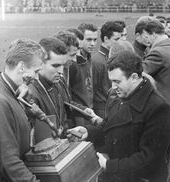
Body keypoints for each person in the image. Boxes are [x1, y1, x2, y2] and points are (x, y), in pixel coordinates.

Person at [67, 50, 170, 182]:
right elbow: (108, 127)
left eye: (117, 81)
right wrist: (88, 132)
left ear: (133, 77)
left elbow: (150, 159)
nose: (113, 87)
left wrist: (110, 166)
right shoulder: (120, 97)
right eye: (111, 81)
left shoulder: (158, 108)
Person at [0, 38, 44, 182]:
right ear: (21, 67)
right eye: (36, 71)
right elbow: (8, 162)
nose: (37, 78)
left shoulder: (12, 92)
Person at [29, 37, 87, 143]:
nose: (61, 71)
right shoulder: (31, 93)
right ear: (40, 64)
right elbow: (38, 142)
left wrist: (70, 132)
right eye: (55, 66)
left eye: (63, 65)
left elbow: (59, 126)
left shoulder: (58, 83)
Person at [91, 21, 123, 118]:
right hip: (102, 111)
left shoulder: (115, 57)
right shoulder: (97, 61)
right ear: (106, 39)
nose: (119, 42)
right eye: (116, 39)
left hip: (115, 108)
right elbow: (92, 91)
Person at [69, 23, 98, 126]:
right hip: (78, 118)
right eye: (89, 40)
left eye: (95, 40)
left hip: (89, 114)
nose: (93, 44)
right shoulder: (72, 64)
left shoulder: (89, 59)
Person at [143, 19, 170, 105]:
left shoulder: (157, 52)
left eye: (147, 37)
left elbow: (139, 71)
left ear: (154, 35)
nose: (147, 41)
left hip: (164, 103)